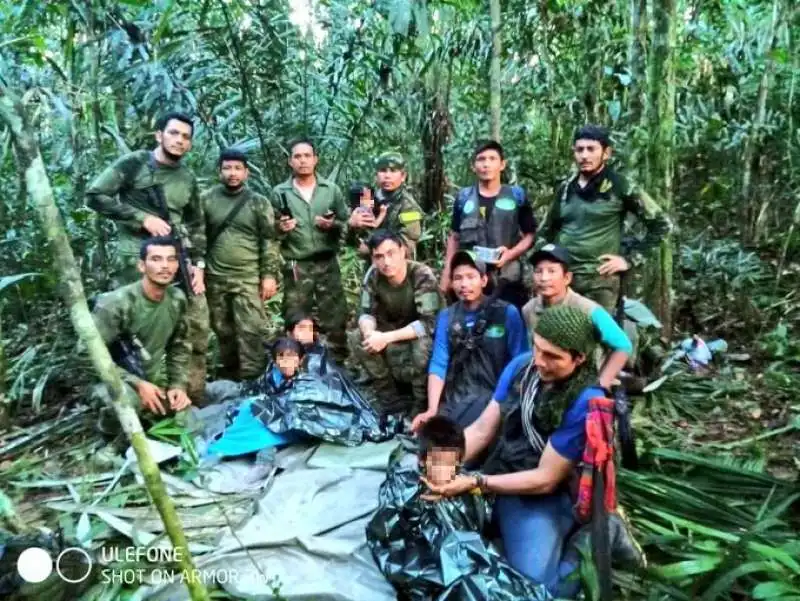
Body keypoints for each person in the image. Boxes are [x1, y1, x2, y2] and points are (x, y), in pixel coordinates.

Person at [421, 305, 643, 598]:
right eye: (538, 348)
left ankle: (602, 532)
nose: (539, 360)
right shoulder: (520, 368)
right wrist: (443, 464)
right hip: (505, 472)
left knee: (537, 590)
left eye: (553, 356)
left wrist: (476, 483)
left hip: (544, 494)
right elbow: (482, 430)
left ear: (579, 358)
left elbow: (546, 478)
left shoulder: (583, 401)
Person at [86, 111, 209, 401]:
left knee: (190, 324)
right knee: (133, 329)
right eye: (174, 133)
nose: (179, 141)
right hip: (136, 261)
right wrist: (141, 218)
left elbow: (196, 224)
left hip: (176, 259)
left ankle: (185, 393)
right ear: (159, 135)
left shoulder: (187, 178)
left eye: (186, 137)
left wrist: (198, 265)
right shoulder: (135, 164)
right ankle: (132, 393)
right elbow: (95, 195)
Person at [538, 124, 671, 312]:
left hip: (599, 282)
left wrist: (629, 260)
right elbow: (545, 231)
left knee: (596, 338)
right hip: (564, 281)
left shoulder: (620, 186)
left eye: (591, 149)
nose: (584, 155)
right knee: (558, 336)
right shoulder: (566, 189)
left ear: (606, 153)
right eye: (579, 150)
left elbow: (662, 225)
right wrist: (547, 269)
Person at [412, 250, 528, 431]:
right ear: (451, 282)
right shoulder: (447, 316)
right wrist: (432, 409)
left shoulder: (506, 313)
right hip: (456, 399)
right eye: (458, 278)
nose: (464, 284)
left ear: (483, 280)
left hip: (494, 400)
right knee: (432, 443)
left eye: (470, 277)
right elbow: (439, 363)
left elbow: (520, 361)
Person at [92, 237, 193, 434]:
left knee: (185, 417)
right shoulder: (116, 304)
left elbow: (179, 346)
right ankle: (110, 436)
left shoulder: (177, 299)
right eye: (156, 259)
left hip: (150, 374)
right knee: (128, 403)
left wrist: (177, 385)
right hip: (112, 377)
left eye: (171, 259)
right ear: (141, 266)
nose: (165, 266)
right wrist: (137, 384)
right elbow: (87, 356)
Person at [203, 148, 280, 381]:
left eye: (238, 168)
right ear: (219, 172)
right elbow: (197, 236)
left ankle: (252, 380)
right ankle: (230, 379)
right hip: (215, 277)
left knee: (251, 332)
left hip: (248, 278)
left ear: (246, 173)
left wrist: (269, 275)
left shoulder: (258, 203)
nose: (232, 173)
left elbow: (269, 240)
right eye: (227, 168)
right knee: (223, 331)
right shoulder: (206, 200)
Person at [271, 138, 350, 364]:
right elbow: (271, 230)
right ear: (290, 161)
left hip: (327, 261)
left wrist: (331, 225)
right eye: (297, 156)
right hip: (297, 263)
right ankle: (296, 362)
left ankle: (337, 363)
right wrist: (281, 228)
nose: (303, 161)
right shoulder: (279, 192)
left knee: (335, 313)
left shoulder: (330, 190)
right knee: (296, 313)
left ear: (316, 159)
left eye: (307, 156)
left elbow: (347, 223)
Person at [347, 230, 441, 417]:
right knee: (358, 337)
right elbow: (365, 314)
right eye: (379, 256)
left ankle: (421, 403)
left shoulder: (421, 275)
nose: (386, 262)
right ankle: (390, 400)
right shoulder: (373, 276)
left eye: (391, 254)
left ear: (403, 251)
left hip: (416, 335)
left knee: (423, 344)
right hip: (389, 333)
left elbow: (429, 323)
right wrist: (369, 334)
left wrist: (385, 338)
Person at [440, 140, 536, 309]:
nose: (486, 164)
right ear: (473, 166)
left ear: (502, 164)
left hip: (506, 277)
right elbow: (454, 236)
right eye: (481, 159)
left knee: (507, 322)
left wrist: (510, 254)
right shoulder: (463, 198)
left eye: (492, 159)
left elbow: (530, 235)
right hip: (471, 278)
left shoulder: (516, 196)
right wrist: (447, 272)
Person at [522, 243, 632, 390]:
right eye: (538, 271)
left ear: (567, 278)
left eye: (551, 271)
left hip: (582, 383)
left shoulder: (588, 309)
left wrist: (602, 383)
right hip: (546, 380)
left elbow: (623, 345)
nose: (544, 278)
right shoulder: (529, 309)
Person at [348, 152, 424, 259]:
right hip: (372, 267)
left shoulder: (410, 208)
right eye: (383, 171)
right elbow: (349, 239)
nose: (387, 176)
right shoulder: (369, 198)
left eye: (393, 171)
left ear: (403, 176)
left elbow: (407, 246)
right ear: (376, 175)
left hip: (397, 268)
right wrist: (351, 225)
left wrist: (371, 249)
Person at [418, 415, 467, 486]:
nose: (447, 477)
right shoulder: (403, 483)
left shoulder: (468, 485)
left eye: (454, 467)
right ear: (422, 461)